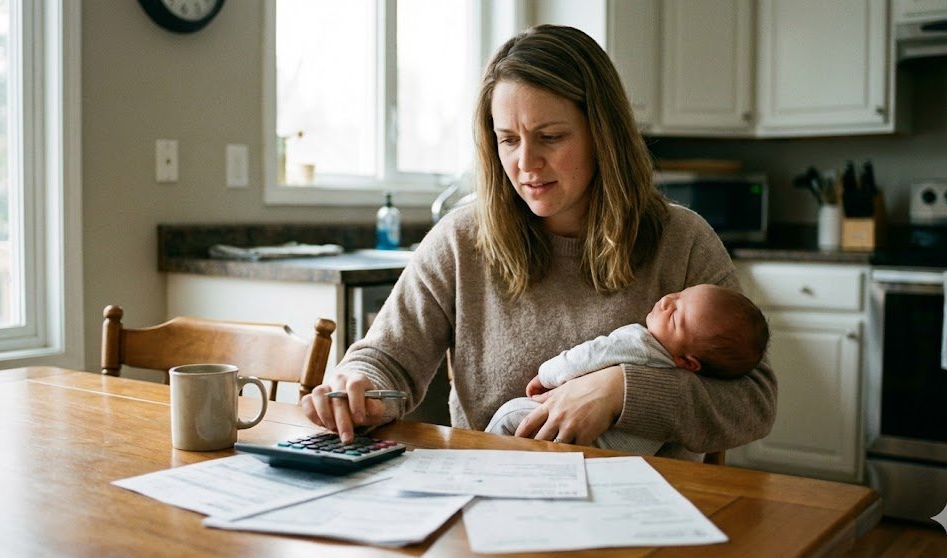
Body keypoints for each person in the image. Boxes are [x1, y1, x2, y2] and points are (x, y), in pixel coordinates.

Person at [301, 24, 776, 461]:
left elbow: (754, 401)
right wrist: (358, 383)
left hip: (642, 505)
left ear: (602, 136)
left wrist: (621, 391)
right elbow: (385, 358)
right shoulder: (461, 239)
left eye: (550, 137)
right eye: (508, 140)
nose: (526, 163)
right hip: (489, 494)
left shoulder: (683, 240)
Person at [485, 284, 770, 455]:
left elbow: (588, 355)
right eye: (680, 294)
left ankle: (475, 461)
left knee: (510, 415)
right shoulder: (682, 372)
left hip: (576, 438)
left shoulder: (640, 342)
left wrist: (546, 374)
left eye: (676, 318)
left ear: (689, 362)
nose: (668, 301)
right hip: (621, 459)